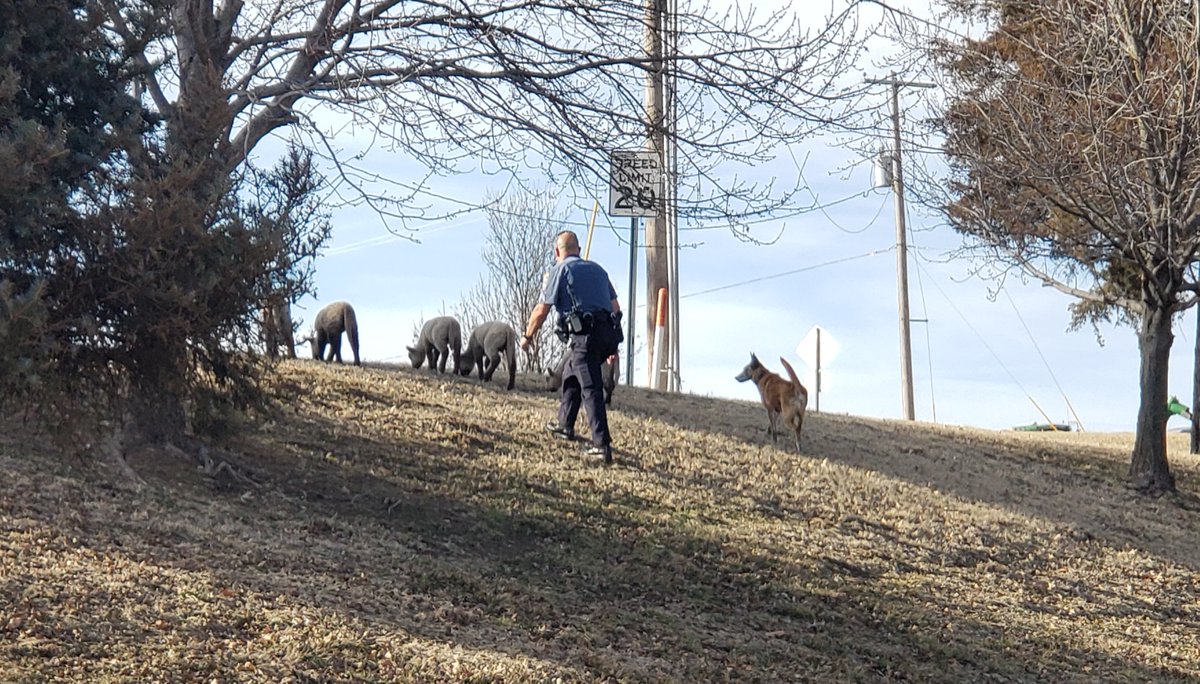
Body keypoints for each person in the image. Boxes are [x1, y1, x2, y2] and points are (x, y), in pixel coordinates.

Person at [520, 230, 623, 463]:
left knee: (591, 388)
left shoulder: (560, 270)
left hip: (585, 336)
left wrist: (527, 336)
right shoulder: (599, 270)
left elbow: (542, 310)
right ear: (578, 250)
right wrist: (613, 348)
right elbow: (615, 308)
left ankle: (602, 446)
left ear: (557, 252)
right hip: (607, 335)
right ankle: (565, 425)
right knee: (571, 372)